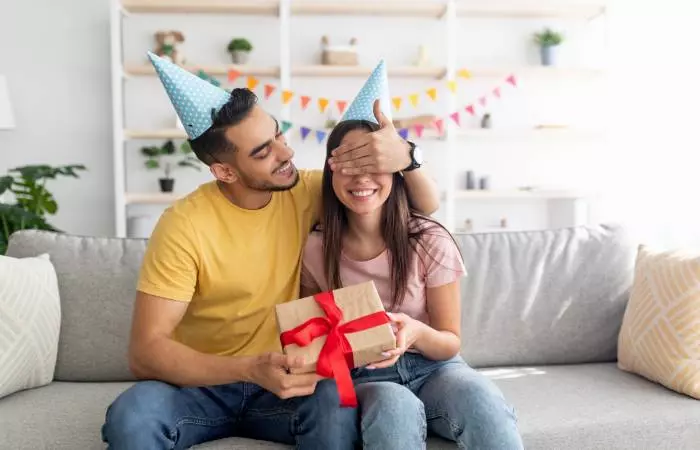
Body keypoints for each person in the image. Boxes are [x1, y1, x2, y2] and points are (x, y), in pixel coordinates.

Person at [100, 54, 440, 449]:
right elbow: (145, 353)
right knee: (131, 414)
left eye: (279, 135)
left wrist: (407, 157)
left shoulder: (305, 191)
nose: (286, 153)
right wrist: (247, 369)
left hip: (288, 384)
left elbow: (424, 205)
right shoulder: (184, 226)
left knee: (336, 401)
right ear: (225, 171)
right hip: (201, 385)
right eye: (263, 152)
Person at [300, 119, 525, 450]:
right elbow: (314, 340)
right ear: (330, 172)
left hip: (435, 368)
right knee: (394, 406)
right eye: (349, 164)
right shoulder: (316, 248)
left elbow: (450, 342)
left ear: (395, 171)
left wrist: (416, 332)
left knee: (480, 396)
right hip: (366, 376)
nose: (361, 176)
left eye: (373, 163)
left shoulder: (429, 239)